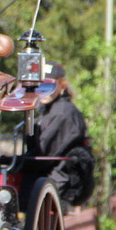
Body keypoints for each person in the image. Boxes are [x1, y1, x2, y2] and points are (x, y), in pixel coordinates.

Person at [35, 62, 94, 207]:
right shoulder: (47, 111)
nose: (42, 91)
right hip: (52, 176)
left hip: (62, 182)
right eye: (38, 86)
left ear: (62, 86)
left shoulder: (63, 113)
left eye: (48, 86)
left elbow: (45, 156)